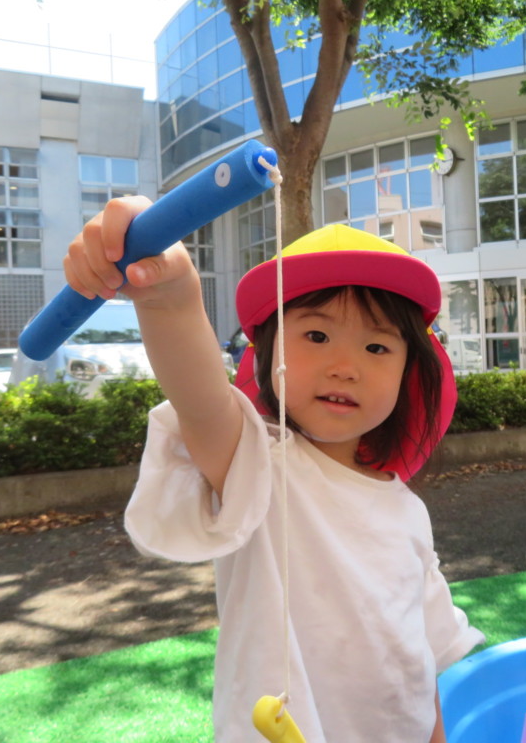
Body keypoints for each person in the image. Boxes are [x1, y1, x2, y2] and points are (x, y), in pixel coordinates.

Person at [64, 196, 484, 743]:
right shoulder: (258, 463)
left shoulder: (407, 509)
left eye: (377, 346)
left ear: (410, 374)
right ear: (266, 354)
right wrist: (169, 294)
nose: (345, 367)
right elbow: (200, 400)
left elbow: (423, 656)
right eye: (316, 336)